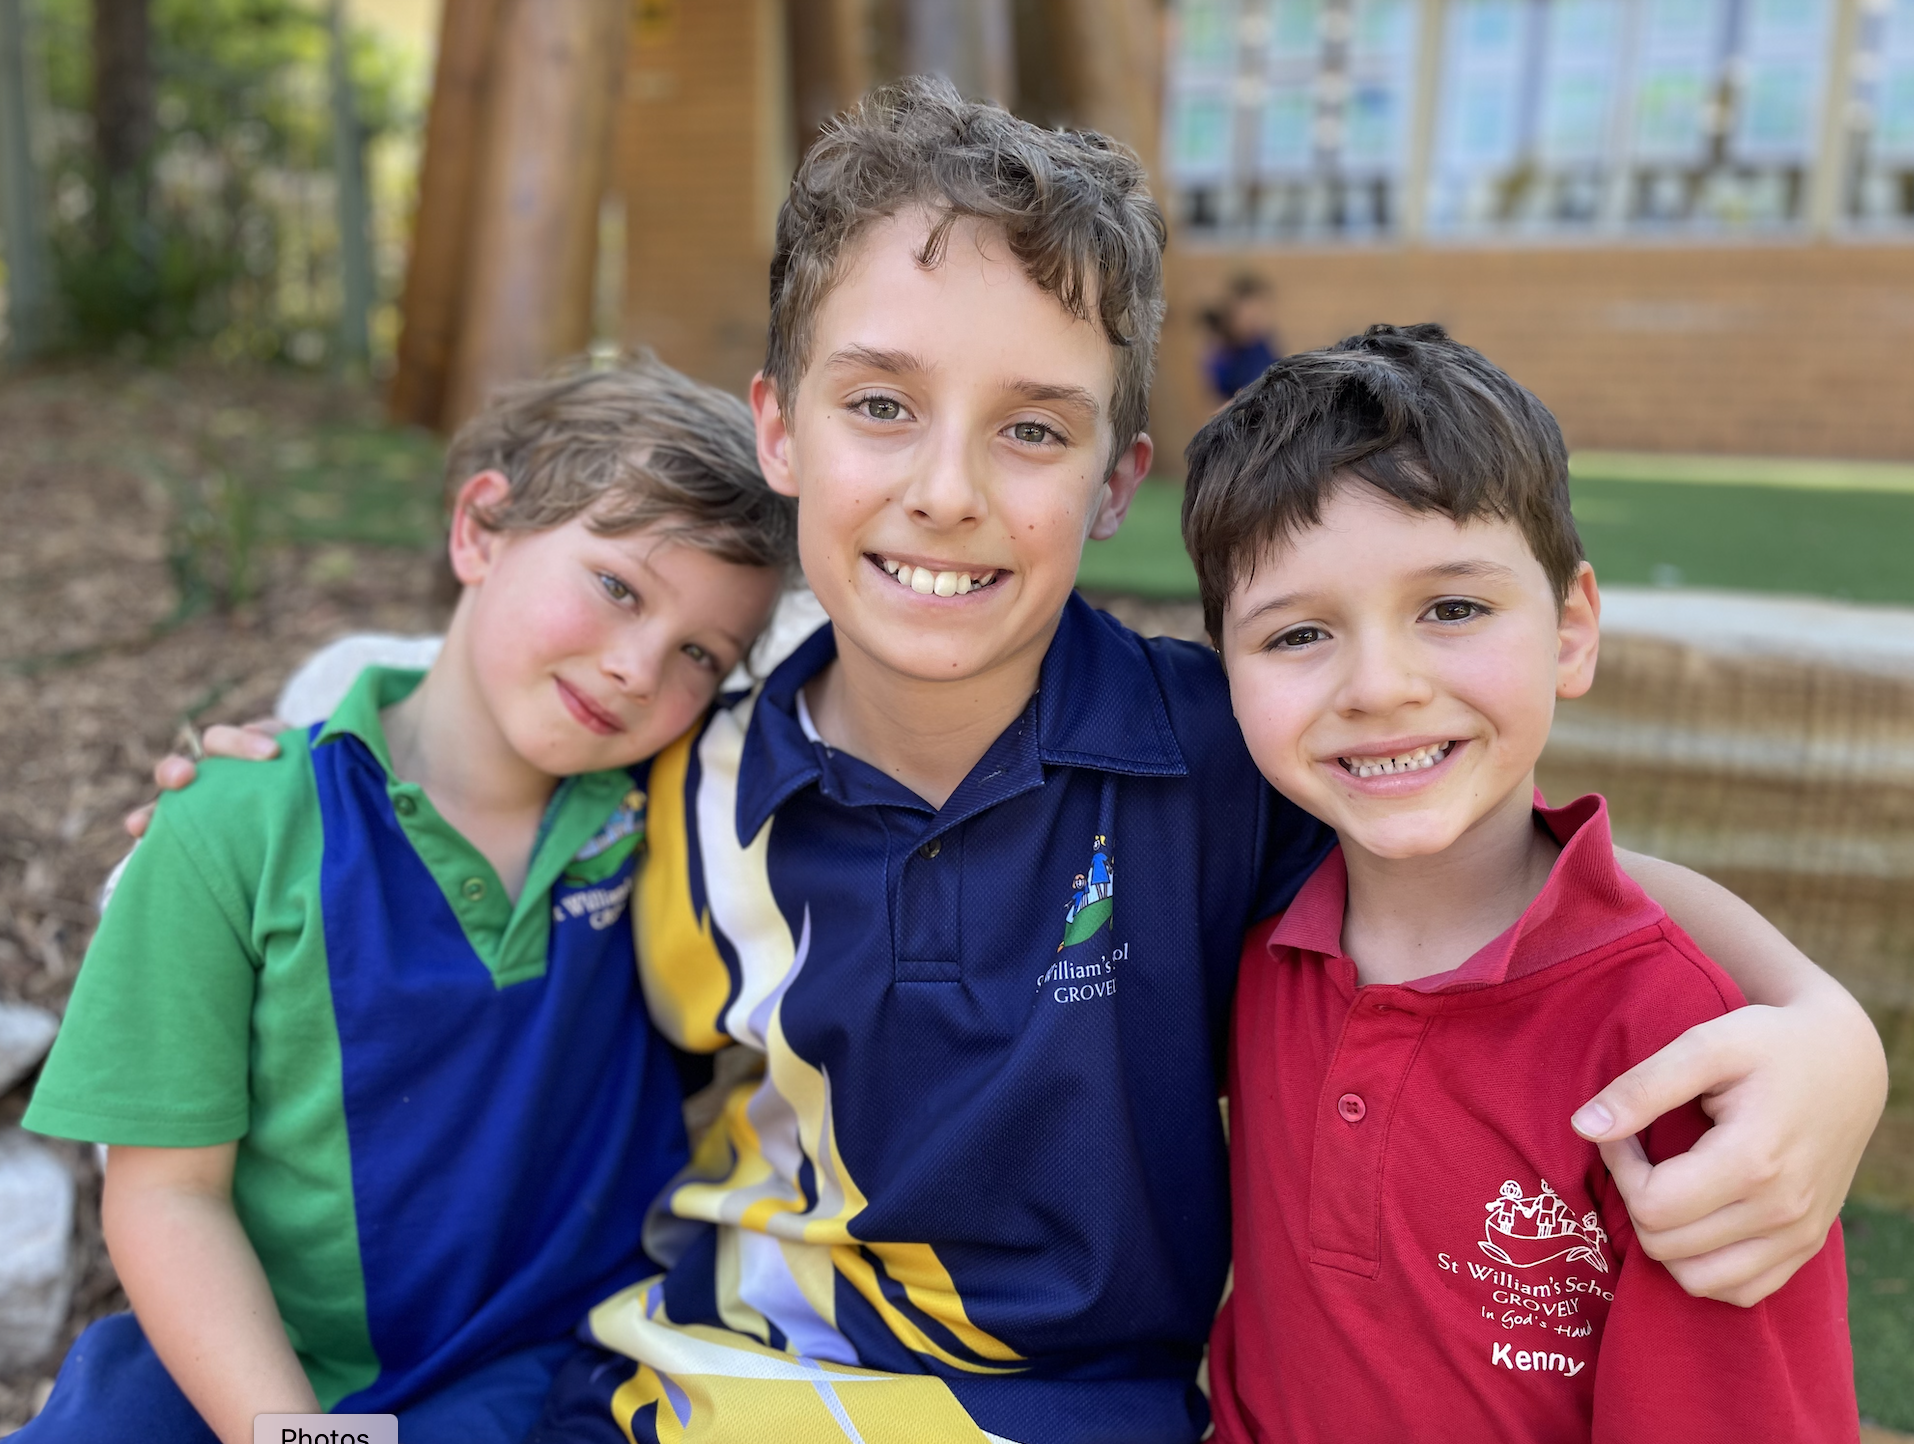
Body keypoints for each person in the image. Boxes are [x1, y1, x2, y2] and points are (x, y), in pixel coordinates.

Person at [145, 82, 1881, 1444]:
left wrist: (1822, 1027)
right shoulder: (679, 773)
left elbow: (1502, 859)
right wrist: (268, 773)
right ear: (777, 424)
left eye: (1029, 429)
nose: (947, 489)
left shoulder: (1224, 753)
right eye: (879, 403)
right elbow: (446, 777)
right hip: (686, 1383)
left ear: (1114, 480)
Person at [19, 358, 794, 1444]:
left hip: (530, 1364)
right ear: (480, 526)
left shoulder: (678, 823)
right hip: (241, 1359)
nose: (634, 667)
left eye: (698, 655)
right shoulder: (237, 821)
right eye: (618, 586)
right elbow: (165, 1193)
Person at [1189, 324, 1856, 1441]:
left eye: (1452, 608)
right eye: (1299, 632)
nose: (1381, 687)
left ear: (1572, 631)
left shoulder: (1686, 1057)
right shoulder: (1249, 933)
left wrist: (1834, 1026)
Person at [1202, 273, 1282, 403]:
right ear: (1232, 314)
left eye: (1260, 313)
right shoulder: (1221, 353)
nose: (1256, 321)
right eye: (1249, 315)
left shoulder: (1262, 346)